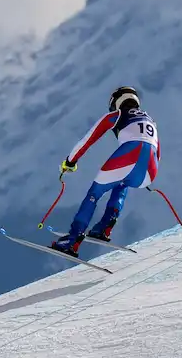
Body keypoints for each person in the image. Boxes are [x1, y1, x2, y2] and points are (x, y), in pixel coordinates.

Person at [50, 85, 160, 257]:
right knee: (122, 183)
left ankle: (73, 239)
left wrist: (70, 161)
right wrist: (144, 175)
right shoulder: (150, 121)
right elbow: (155, 151)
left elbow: (89, 138)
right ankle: (104, 227)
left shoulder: (117, 115)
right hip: (149, 171)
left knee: (95, 192)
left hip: (130, 156)